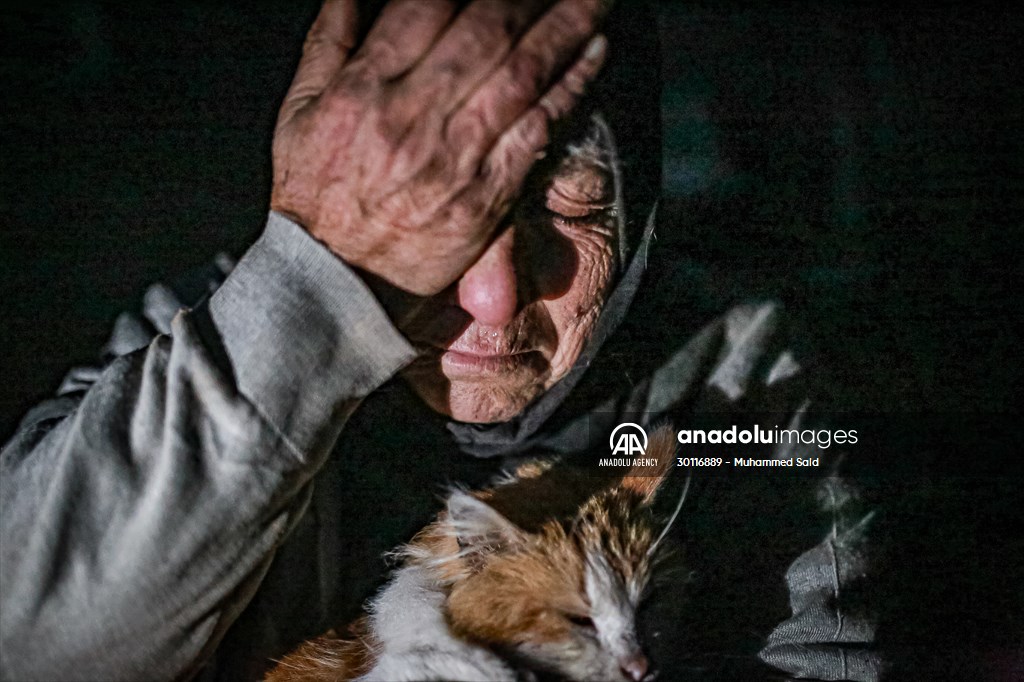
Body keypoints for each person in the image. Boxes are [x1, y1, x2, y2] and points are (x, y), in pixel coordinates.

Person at [0, 1, 881, 680]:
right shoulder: (196, 336)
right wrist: (311, 294)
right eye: (434, 215)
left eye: (573, 211)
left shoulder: (741, 381)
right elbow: (28, 643)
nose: (493, 298)